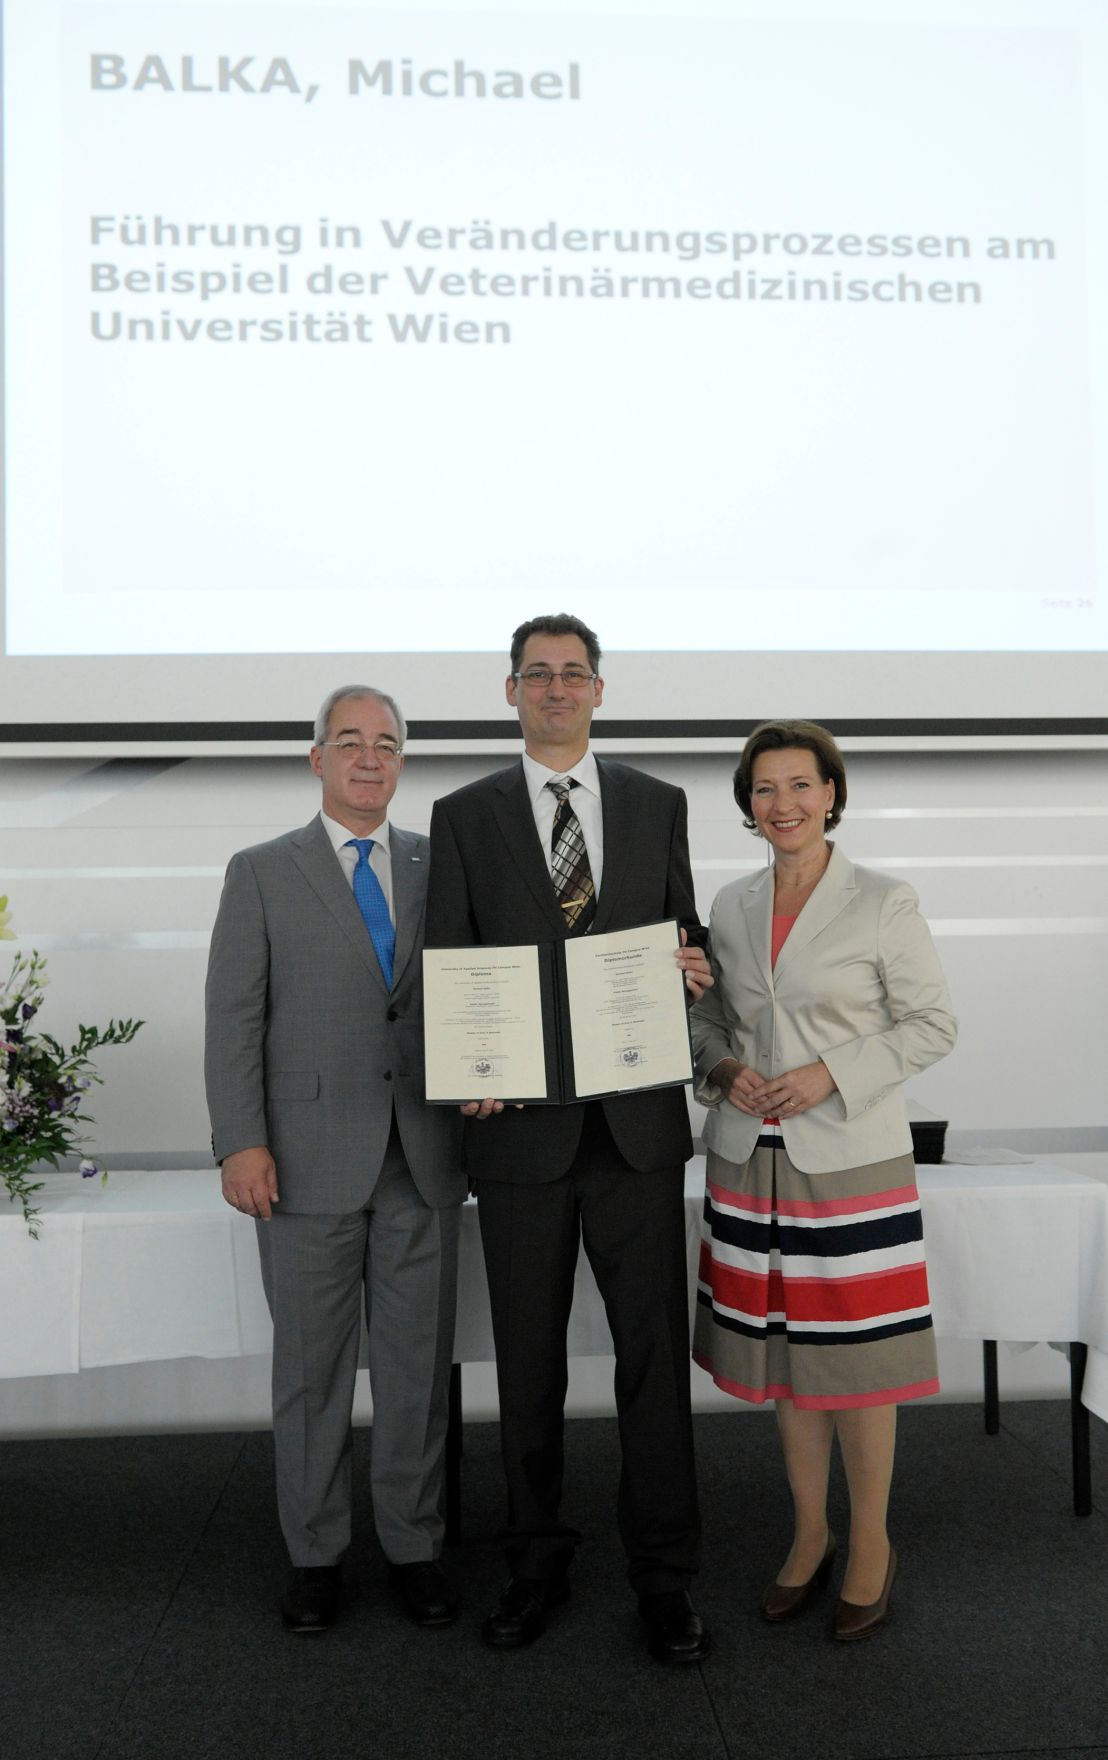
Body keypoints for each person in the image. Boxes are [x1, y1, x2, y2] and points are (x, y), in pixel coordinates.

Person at [425, 613, 714, 1665]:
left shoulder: (656, 803)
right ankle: (534, 1561)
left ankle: (664, 1577)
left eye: (572, 673)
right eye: (536, 674)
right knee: (529, 1363)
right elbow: (448, 961)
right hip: (519, 1139)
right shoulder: (463, 815)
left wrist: (693, 965)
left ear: (600, 688)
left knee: (652, 1363)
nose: (555, 688)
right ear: (511, 692)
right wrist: (466, 1070)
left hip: (635, 1129)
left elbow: (683, 935)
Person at [204, 686, 465, 1633]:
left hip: (426, 1154)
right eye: (349, 742)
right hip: (304, 1161)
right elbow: (234, 1017)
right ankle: (315, 1555)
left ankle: (414, 1546)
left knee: (415, 1369)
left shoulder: (444, 866)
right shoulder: (263, 871)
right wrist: (241, 1139)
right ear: (315, 758)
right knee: (312, 1374)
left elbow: (485, 991)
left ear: (402, 763)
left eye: (387, 744)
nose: (369, 758)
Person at [691, 719, 956, 1641]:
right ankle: (809, 1535)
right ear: (747, 805)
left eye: (801, 785)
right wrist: (724, 1072)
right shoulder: (728, 905)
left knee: (856, 1363)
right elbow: (708, 1026)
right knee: (788, 1365)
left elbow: (931, 1026)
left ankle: (872, 1541)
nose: (784, 804)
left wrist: (829, 1074)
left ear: (832, 794)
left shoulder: (883, 900)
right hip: (745, 1157)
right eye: (765, 789)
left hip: (848, 1159)